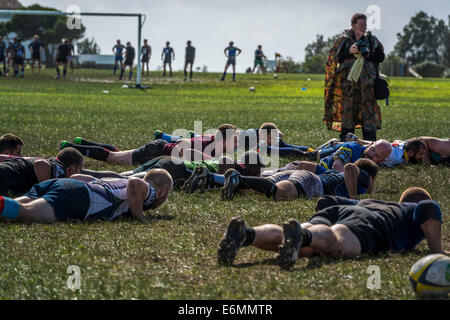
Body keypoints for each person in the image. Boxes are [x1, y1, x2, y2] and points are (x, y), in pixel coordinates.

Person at [217, 187, 446, 270]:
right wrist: (437, 251)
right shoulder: (407, 210)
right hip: (371, 223)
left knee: (303, 244)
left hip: (341, 210)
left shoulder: (372, 201)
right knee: (337, 242)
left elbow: (326, 201)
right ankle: (304, 235)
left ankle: (247, 234)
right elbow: (428, 206)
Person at [0, 168, 173, 223]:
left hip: (64, 184)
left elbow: (77, 177)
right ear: (163, 191)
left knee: (11, 209)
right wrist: (140, 216)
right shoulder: (151, 192)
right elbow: (137, 184)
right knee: (27, 212)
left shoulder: (117, 179)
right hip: (81, 196)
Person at [324, 13, 385, 142]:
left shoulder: (371, 40)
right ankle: (346, 144)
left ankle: (370, 146)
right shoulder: (344, 40)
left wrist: (368, 55)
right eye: (360, 25)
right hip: (348, 86)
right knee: (348, 114)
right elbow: (334, 58)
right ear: (353, 25)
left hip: (367, 86)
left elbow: (381, 57)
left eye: (365, 25)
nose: (363, 27)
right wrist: (349, 52)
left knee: (368, 114)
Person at [59, 124, 240, 165]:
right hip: (156, 151)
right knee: (115, 159)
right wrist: (208, 159)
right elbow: (185, 145)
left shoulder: (212, 142)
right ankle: (72, 148)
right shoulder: (211, 148)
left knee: (121, 153)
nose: (237, 145)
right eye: (235, 141)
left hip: (159, 147)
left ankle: (82, 143)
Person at [219, 158, 378, 201]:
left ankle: (215, 179)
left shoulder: (331, 172)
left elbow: (309, 165)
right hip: (313, 182)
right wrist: (354, 197)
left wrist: (285, 169)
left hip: (299, 174)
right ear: (371, 177)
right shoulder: (362, 177)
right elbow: (350, 167)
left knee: (254, 191)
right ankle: (236, 177)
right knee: (280, 192)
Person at [0, 147, 84, 196]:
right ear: (71, 169)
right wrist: (46, 192)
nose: (80, 173)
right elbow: (41, 164)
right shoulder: (60, 170)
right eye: (79, 169)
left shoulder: (48, 161)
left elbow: (6, 158)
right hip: (8, 177)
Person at [293, 140, 391, 175]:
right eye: (373, 150)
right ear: (371, 144)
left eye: (376, 156)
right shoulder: (352, 148)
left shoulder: (370, 168)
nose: (371, 154)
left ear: (381, 161)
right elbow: (336, 167)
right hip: (317, 172)